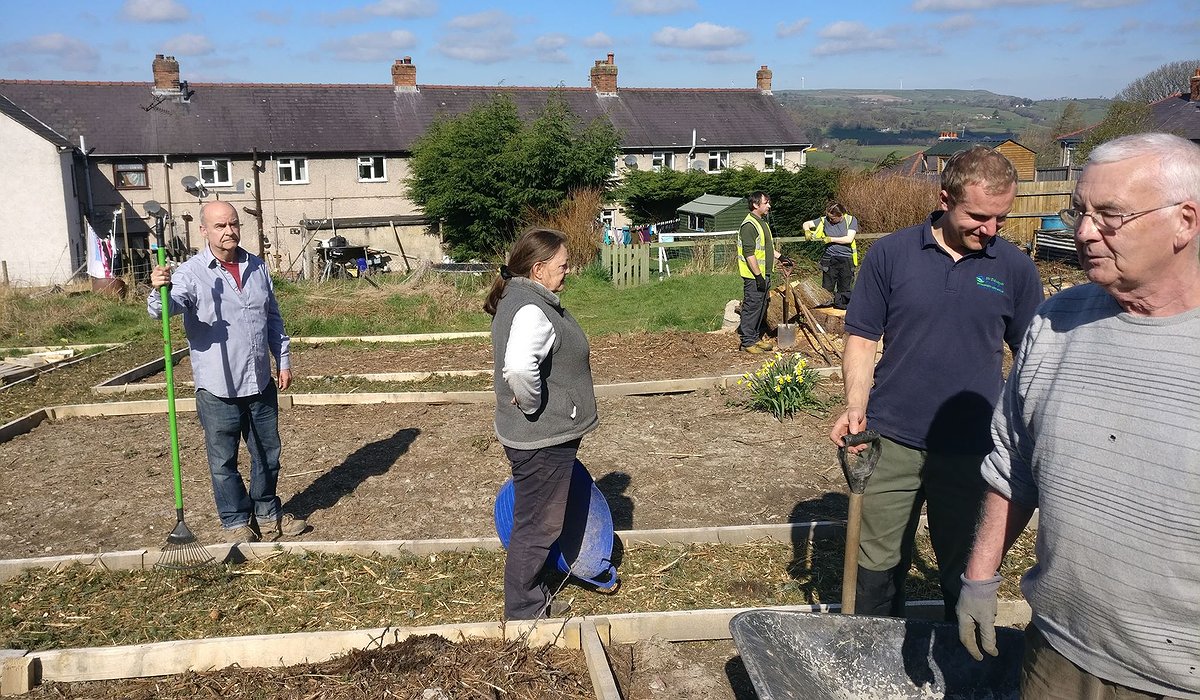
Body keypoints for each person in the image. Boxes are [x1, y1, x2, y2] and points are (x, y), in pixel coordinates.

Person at [958, 133, 1200, 699]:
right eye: (1080, 212)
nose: (1085, 232)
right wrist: (980, 575)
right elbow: (1013, 463)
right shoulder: (1055, 325)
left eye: (1110, 216)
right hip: (1059, 656)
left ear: (1185, 222)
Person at [829, 146, 1043, 619]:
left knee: (964, 572)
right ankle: (870, 667)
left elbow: (1032, 359)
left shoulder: (1014, 268)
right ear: (945, 198)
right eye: (979, 217)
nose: (990, 231)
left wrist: (1027, 433)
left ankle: (954, 673)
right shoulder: (891, 254)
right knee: (875, 566)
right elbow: (863, 339)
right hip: (890, 439)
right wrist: (854, 407)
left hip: (973, 448)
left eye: (1001, 220)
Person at [148, 201, 306, 544]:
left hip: (259, 377)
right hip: (217, 385)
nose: (229, 231)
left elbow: (272, 317)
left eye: (233, 224)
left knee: (268, 452)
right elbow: (167, 307)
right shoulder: (191, 273)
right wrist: (159, 288)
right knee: (223, 460)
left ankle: (266, 513)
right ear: (204, 230)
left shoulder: (257, 266)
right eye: (220, 226)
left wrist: (283, 357)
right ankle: (236, 520)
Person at [485, 228, 600, 620]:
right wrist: (533, 405)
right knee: (538, 526)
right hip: (541, 438)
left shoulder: (519, 297)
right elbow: (518, 366)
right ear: (538, 269)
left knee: (534, 519)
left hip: (536, 436)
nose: (568, 272)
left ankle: (532, 597)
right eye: (562, 266)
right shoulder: (533, 309)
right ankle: (524, 612)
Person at [737, 191, 782, 354]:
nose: (769, 205)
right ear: (756, 205)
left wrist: (781, 257)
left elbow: (766, 248)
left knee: (761, 307)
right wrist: (758, 276)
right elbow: (749, 254)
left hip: (764, 274)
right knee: (752, 307)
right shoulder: (749, 225)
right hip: (754, 277)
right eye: (766, 202)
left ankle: (755, 338)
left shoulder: (761, 222)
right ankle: (747, 342)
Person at [802, 203, 859, 309]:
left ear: (841, 215)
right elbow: (806, 224)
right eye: (829, 217)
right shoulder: (824, 220)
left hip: (846, 258)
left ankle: (842, 308)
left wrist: (831, 239)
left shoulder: (851, 220)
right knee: (827, 286)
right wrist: (807, 230)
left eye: (833, 218)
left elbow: (849, 239)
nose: (830, 220)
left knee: (845, 286)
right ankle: (825, 308)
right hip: (830, 258)